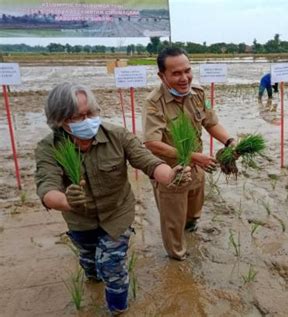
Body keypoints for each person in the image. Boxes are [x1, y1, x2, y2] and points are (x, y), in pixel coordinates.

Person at [34, 83, 191, 314]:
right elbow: (47, 187)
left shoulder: (117, 135)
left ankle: (118, 309)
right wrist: (66, 201)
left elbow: (147, 161)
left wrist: (171, 176)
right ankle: (92, 275)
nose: (88, 120)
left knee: (111, 266)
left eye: (91, 113)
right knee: (90, 263)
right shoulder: (49, 147)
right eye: (79, 116)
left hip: (117, 214)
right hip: (80, 220)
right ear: (60, 120)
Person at [142, 47, 236, 261]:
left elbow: (211, 123)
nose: (184, 78)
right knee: (173, 222)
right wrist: (194, 157)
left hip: (197, 168)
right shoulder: (154, 103)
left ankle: (190, 231)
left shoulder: (199, 94)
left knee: (193, 213)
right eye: (176, 73)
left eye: (187, 71)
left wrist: (229, 141)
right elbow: (151, 143)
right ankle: (178, 258)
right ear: (162, 76)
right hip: (171, 172)